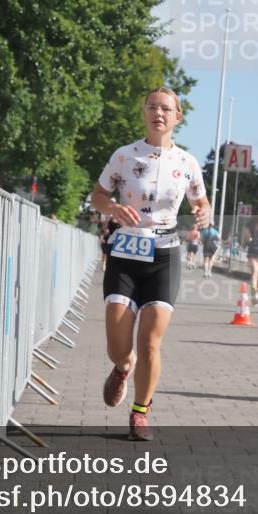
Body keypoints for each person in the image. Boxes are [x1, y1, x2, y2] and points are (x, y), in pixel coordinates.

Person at [91, 86, 209, 441]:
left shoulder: (188, 163)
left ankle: (140, 413)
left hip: (165, 253)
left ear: (178, 118)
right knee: (119, 347)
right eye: (152, 107)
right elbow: (97, 195)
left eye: (166, 109)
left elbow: (202, 203)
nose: (159, 113)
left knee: (151, 343)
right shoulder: (125, 156)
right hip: (126, 253)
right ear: (143, 113)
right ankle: (122, 367)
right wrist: (111, 208)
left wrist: (203, 214)